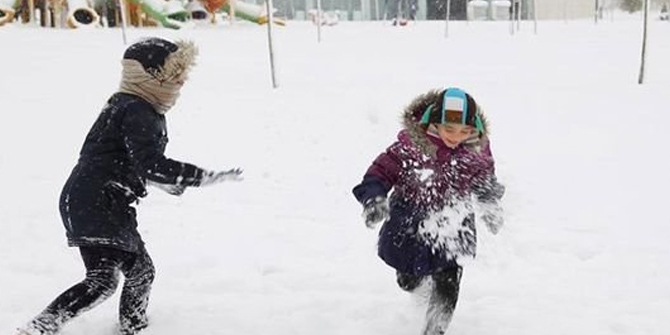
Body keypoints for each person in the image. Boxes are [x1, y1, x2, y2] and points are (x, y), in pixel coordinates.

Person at [15, 37, 243, 335]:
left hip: (94, 198)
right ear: (152, 75)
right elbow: (148, 162)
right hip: (99, 201)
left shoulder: (130, 105)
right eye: (176, 74)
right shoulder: (137, 109)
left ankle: (129, 327)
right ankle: (45, 327)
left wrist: (155, 181)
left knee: (131, 274)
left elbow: (121, 158)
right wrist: (199, 176)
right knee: (108, 279)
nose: (182, 81)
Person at [352, 87, 504, 335]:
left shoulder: (476, 151)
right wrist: (374, 198)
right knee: (407, 280)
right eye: (450, 129)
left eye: (465, 131)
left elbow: (484, 180)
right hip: (410, 221)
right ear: (434, 123)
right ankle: (415, 282)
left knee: (450, 277)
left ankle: (435, 329)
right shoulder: (410, 147)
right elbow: (381, 171)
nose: (457, 137)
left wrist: (490, 204)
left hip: (454, 221)